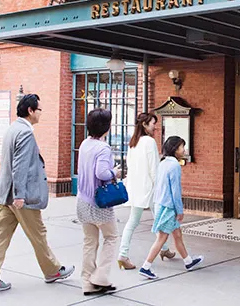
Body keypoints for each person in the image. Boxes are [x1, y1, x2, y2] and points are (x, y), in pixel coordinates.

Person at [0, 94, 74, 295]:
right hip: (18, 196)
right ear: (30, 111)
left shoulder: (13, 129)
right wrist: (20, 195)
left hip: (5, 194)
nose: (41, 113)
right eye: (39, 109)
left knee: (0, 236)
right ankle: (53, 270)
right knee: (38, 234)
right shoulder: (25, 133)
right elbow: (20, 166)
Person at [138, 136, 203, 280]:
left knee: (177, 235)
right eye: (181, 147)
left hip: (161, 203)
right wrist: (179, 210)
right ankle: (146, 266)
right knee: (162, 238)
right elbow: (175, 190)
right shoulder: (174, 166)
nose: (183, 150)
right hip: (169, 207)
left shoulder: (163, 163)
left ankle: (188, 261)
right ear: (175, 149)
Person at [117, 113, 175, 270]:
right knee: (161, 220)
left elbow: (130, 166)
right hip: (150, 189)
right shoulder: (149, 142)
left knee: (133, 221)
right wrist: (161, 188)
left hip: (136, 187)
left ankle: (123, 254)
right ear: (144, 124)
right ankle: (164, 249)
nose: (155, 127)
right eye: (152, 123)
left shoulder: (133, 143)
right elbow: (154, 169)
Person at [76, 108, 120, 295]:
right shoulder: (103, 148)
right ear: (106, 127)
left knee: (89, 242)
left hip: (82, 202)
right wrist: (114, 173)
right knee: (111, 237)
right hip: (98, 203)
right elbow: (101, 173)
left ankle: (87, 282)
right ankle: (100, 277)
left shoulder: (85, 143)